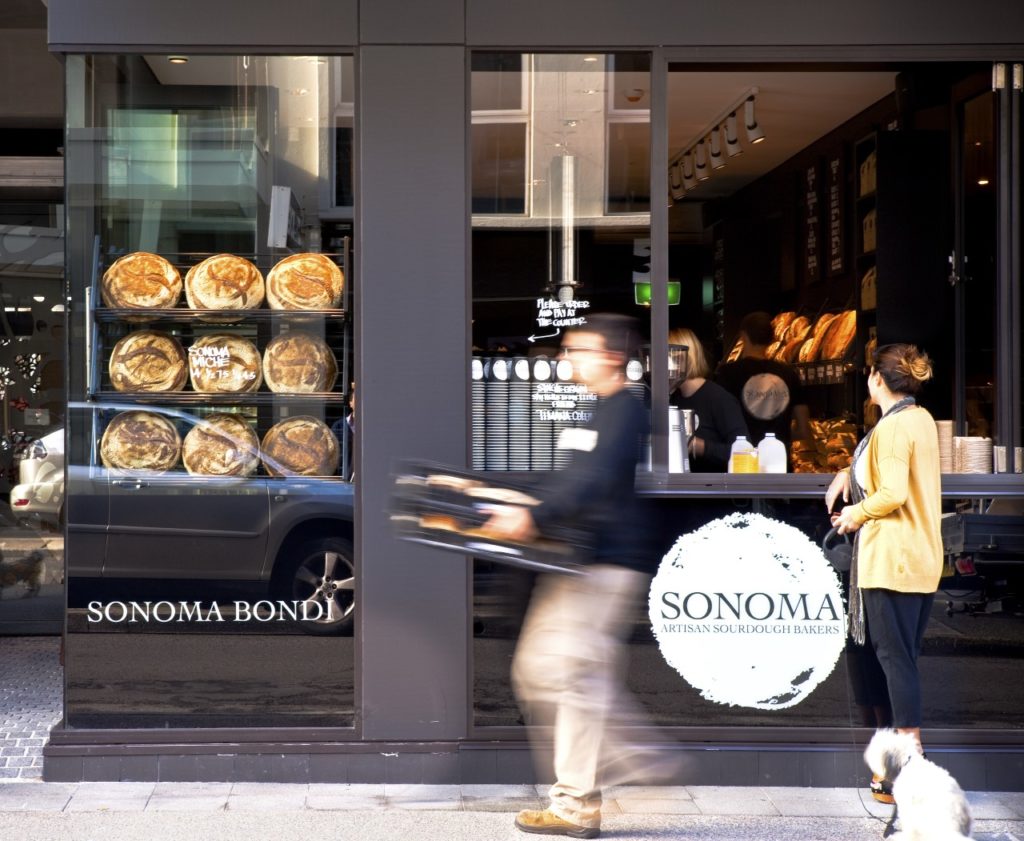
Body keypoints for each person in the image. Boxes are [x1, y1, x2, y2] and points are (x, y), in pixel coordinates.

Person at [483, 313, 659, 840]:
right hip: (578, 561)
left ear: (608, 356)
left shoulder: (626, 410)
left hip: (604, 564)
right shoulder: (600, 410)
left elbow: (597, 481)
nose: (565, 360)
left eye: (575, 350)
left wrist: (532, 515)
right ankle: (598, 784)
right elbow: (569, 477)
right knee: (550, 673)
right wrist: (505, 493)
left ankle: (600, 785)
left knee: (562, 675)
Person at [825, 343, 942, 803]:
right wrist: (848, 472)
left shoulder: (892, 428)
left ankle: (908, 763)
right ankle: (892, 765)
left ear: (877, 379)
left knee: (894, 663)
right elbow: (898, 476)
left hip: (891, 559)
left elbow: (892, 491)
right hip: (916, 557)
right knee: (895, 660)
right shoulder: (919, 419)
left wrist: (855, 513)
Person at [715, 311, 810, 459]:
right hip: (779, 463)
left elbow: (718, 425)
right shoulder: (789, 374)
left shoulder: (727, 374)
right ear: (772, 339)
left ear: (743, 336)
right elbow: (804, 431)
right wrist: (781, 435)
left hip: (742, 463)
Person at [668, 327, 748, 472]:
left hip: (712, 490)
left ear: (681, 359)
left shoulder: (719, 399)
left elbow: (744, 453)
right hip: (679, 488)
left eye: (667, 359)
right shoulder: (673, 398)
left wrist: (699, 446)